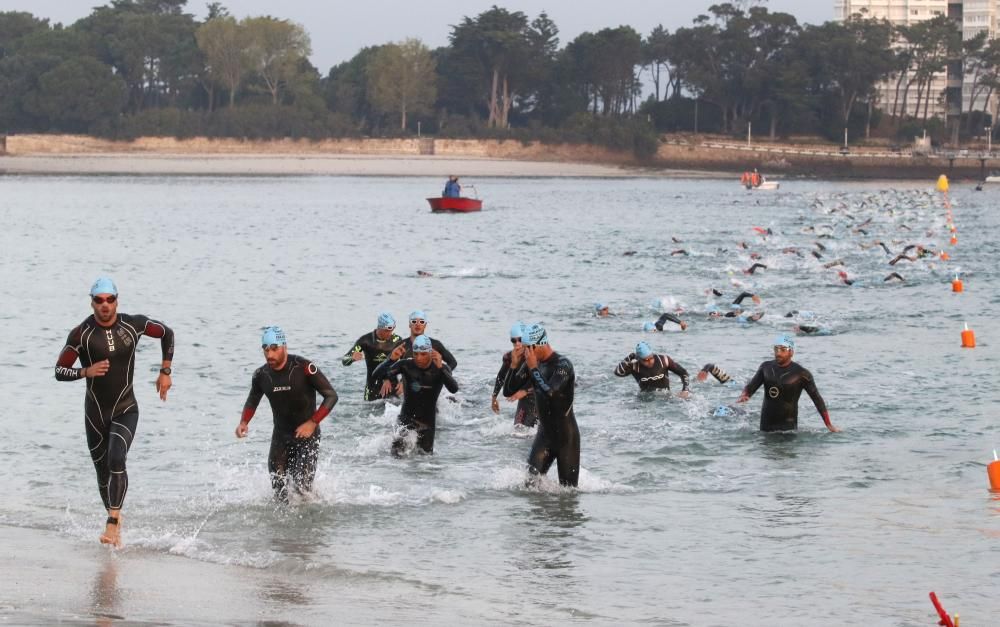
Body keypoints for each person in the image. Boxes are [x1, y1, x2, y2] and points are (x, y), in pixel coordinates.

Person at [54, 277, 174, 548]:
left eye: (110, 299)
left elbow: (167, 333)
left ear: (117, 300)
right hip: (95, 414)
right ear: (92, 302)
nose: (105, 305)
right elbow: (59, 371)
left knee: (117, 458)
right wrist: (86, 371)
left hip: (125, 408)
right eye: (99, 300)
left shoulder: (133, 325)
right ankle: (115, 522)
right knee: (102, 473)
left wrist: (165, 371)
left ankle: (112, 520)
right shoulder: (81, 334)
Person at [236, 326, 339, 502]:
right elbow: (253, 400)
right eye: (265, 349)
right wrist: (244, 422)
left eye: (274, 349)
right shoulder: (261, 375)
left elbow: (331, 396)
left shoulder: (304, 367)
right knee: (279, 493)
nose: (270, 355)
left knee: (302, 490)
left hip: (307, 437)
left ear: (284, 347)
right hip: (281, 437)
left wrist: (312, 423)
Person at [503, 323, 580, 487]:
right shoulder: (532, 363)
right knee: (529, 486)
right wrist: (514, 365)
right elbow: (508, 391)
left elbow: (551, 393)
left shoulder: (563, 365)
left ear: (539, 344)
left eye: (527, 348)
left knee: (568, 495)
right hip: (544, 436)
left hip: (567, 438)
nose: (524, 352)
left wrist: (533, 369)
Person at [372, 334, 458, 455]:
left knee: (425, 465)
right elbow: (375, 376)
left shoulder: (441, 368)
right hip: (406, 420)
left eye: (423, 354)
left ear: (430, 353)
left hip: (427, 425)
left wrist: (440, 368)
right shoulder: (405, 365)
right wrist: (390, 360)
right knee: (396, 458)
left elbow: (454, 388)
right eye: (415, 353)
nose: (418, 358)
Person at [737, 334, 840, 433]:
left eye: (783, 350)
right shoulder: (766, 367)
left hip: (788, 431)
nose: (778, 353)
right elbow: (751, 386)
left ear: (791, 352)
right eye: (776, 349)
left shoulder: (802, 374)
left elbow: (817, 399)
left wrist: (828, 424)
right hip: (765, 428)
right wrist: (745, 394)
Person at [341, 312, 403, 401]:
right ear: (380, 327)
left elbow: (406, 362)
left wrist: (402, 382)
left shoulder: (397, 340)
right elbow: (344, 360)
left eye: (392, 330)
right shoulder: (366, 341)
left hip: (392, 385)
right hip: (372, 387)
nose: (390, 333)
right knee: (368, 413)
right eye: (387, 330)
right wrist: (352, 358)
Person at [491, 322, 538, 427]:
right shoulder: (509, 357)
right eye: (513, 340)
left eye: (520, 339)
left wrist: (526, 391)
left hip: (539, 396)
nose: (517, 343)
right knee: (518, 430)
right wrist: (494, 397)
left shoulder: (534, 355)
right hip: (525, 398)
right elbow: (501, 376)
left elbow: (544, 380)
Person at [614, 341, 691, 397]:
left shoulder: (663, 360)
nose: (650, 361)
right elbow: (618, 372)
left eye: (651, 358)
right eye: (645, 360)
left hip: (666, 397)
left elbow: (683, 373)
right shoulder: (634, 366)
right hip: (645, 399)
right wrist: (630, 356)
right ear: (639, 359)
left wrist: (685, 390)